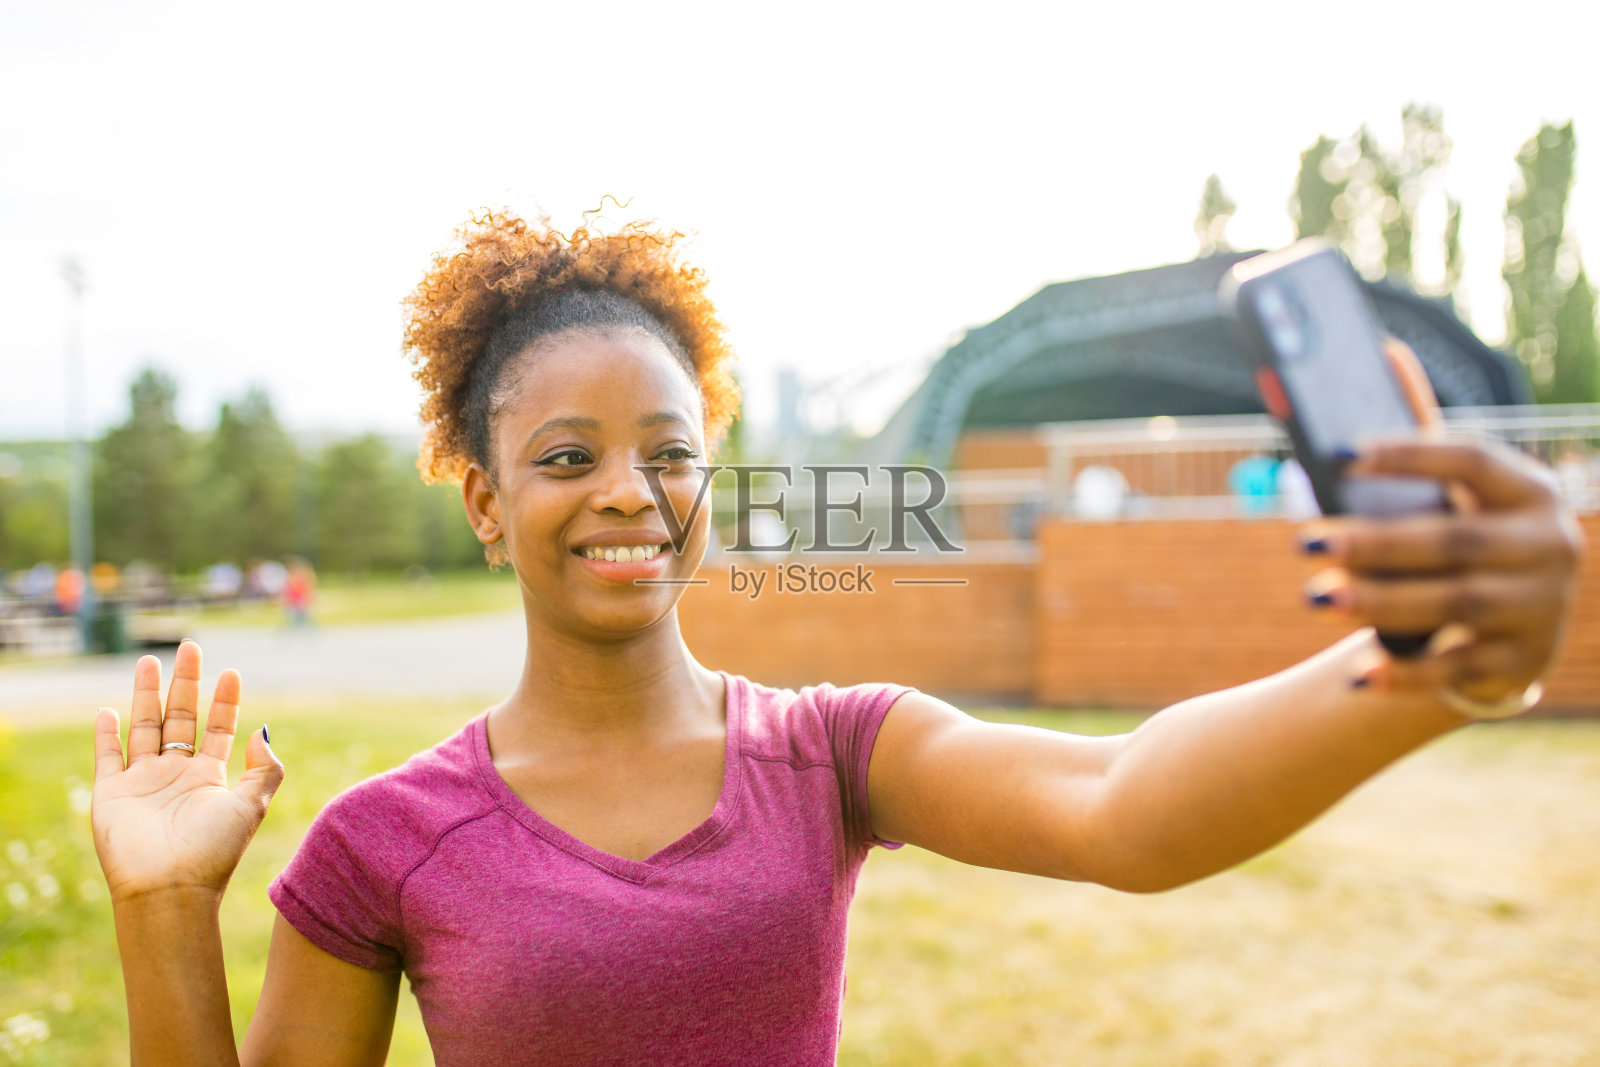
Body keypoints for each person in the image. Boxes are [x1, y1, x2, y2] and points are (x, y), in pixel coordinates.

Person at [88, 210, 1584, 1066]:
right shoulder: (383, 843)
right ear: (485, 500)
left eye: (670, 452)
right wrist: (163, 906)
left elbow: (1124, 804)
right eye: (566, 457)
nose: (629, 492)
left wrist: (1446, 662)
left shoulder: (830, 753)